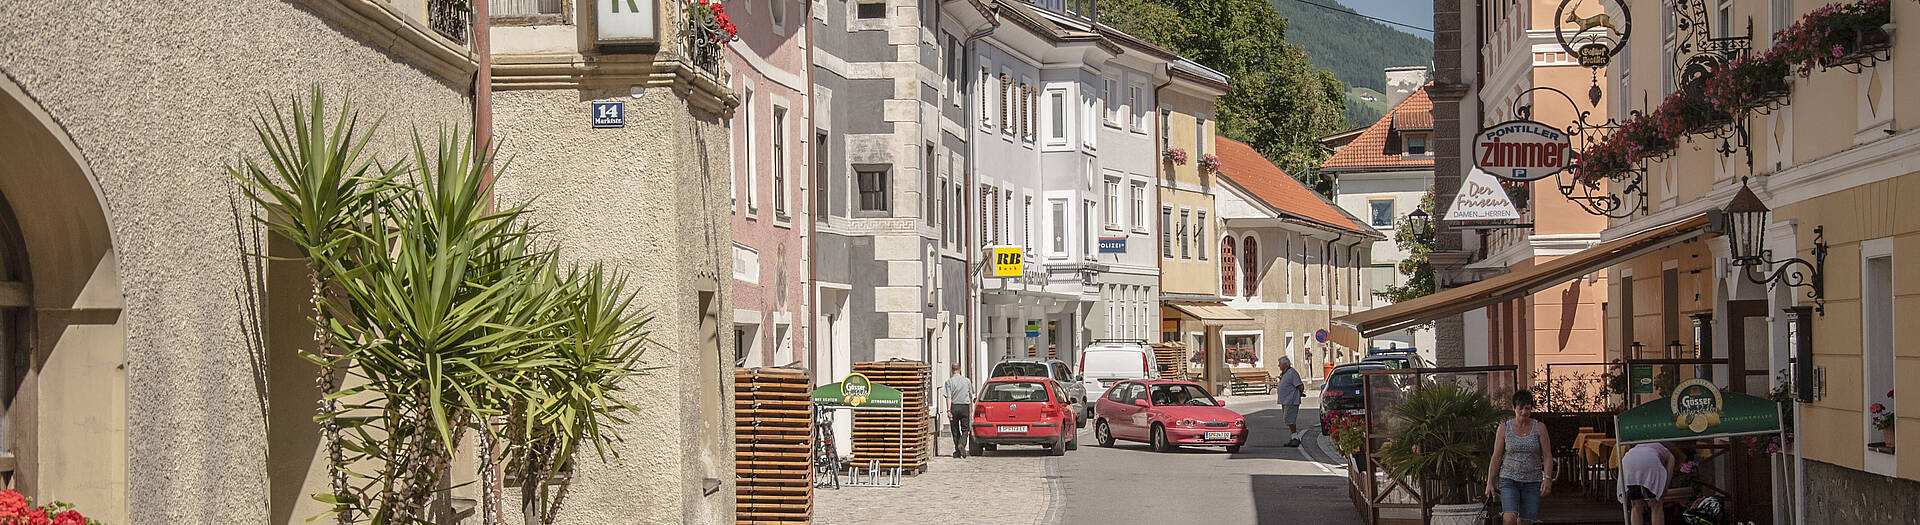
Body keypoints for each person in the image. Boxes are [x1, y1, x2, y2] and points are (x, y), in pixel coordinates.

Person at [1486, 390, 1554, 525]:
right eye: (1520, 408)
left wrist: (1547, 478)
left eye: (1527, 408)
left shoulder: (1539, 427)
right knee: (1509, 518)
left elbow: (1547, 455)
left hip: (1532, 480)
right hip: (1509, 479)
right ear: (1513, 408)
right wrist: (1490, 482)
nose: (1524, 412)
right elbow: (1496, 457)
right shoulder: (1504, 428)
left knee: (1524, 521)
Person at [1619, 442, 1679, 525]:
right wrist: (1665, 488)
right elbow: (1670, 466)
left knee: (1636, 504)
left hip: (1628, 461)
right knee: (1656, 504)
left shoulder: (1638, 446)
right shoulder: (1666, 451)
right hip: (1650, 461)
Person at [943, 366, 975, 458]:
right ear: (960, 370)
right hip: (964, 406)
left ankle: (958, 451)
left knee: (955, 429)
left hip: (954, 406)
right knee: (965, 429)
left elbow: (948, 397)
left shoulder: (949, 382)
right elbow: (970, 396)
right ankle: (962, 444)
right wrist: (970, 409)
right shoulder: (967, 381)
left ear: (952, 370)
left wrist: (949, 410)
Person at [1275, 356, 1305, 447]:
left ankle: (1295, 438)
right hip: (1286, 401)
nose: (1278, 366)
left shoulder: (1292, 373)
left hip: (1291, 401)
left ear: (1285, 364)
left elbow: (1300, 386)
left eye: (1280, 364)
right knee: (1288, 419)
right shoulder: (1285, 373)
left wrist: (1299, 394)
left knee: (1290, 419)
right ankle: (1294, 437)